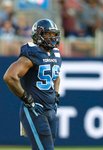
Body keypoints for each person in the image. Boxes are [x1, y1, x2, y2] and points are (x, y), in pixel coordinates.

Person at [3, 18, 62, 150]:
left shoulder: (56, 54)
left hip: (50, 109)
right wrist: (26, 98)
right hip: (35, 109)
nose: (52, 37)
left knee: (44, 147)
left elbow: (56, 77)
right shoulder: (32, 53)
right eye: (48, 34)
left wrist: (56, 94)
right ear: (39, 35)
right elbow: (10, 76)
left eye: (54, 34)